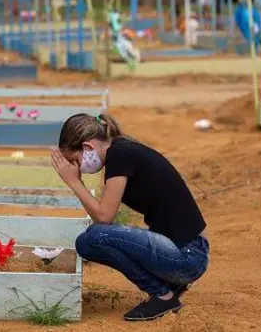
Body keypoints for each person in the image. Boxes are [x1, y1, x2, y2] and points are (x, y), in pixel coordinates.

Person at [50, 113, 209, 322]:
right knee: (87, 241)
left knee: (95, 236)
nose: (76, 168)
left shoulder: (119, 155)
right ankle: (170, 286)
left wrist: (74, 182)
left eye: (75, 161)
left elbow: (104, 217)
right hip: (185, 252)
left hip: (189, 257)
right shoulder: (122, 150)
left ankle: (163, 295)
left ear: (88, 147)